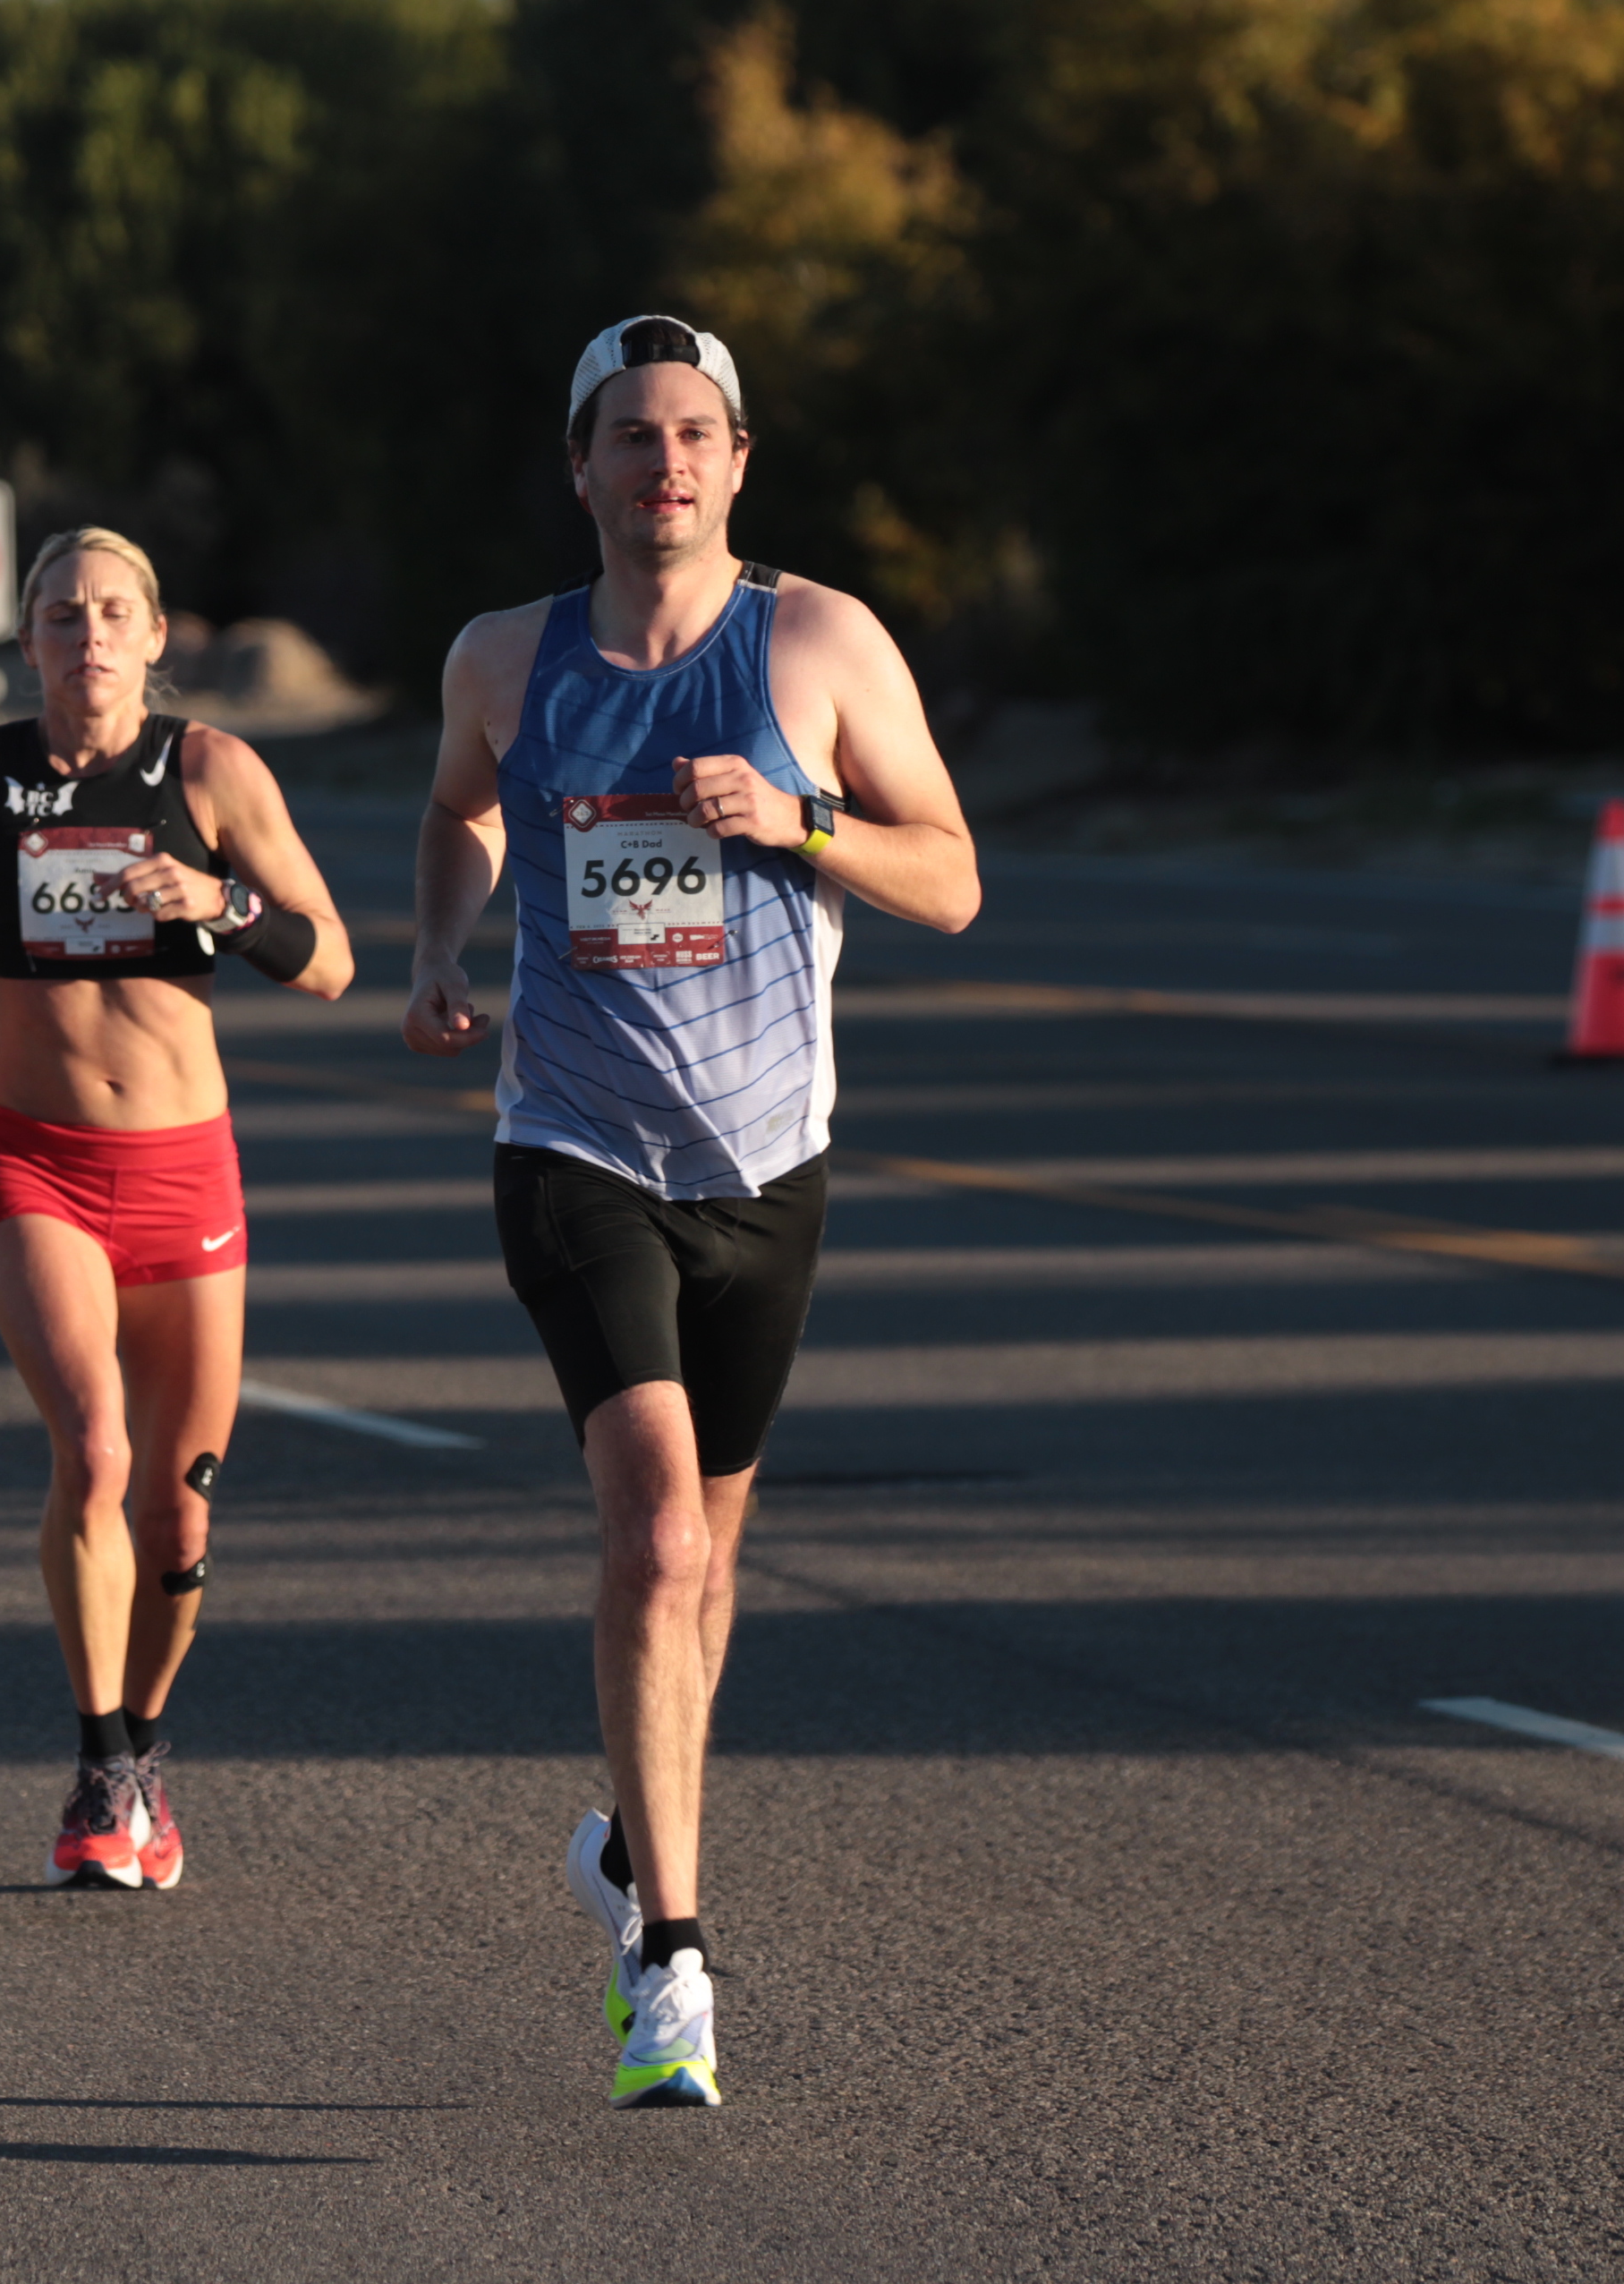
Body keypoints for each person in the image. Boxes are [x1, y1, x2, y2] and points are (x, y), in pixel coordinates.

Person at [404, 316, 978, 2109]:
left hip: (767, 1164)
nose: (663, 464)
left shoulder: (817, 642)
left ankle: (630, 1845)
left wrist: (799, 820)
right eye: (631, 435)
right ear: (578, 466)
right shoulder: (505, 654)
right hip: (574, 1147)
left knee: (708, 1560)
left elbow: (951, 879)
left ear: (737, 463)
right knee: (654, 1537)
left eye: (693, 435)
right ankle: (671, 1957)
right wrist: (437, 942)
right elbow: (460, 809)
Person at [0, 524, 352, 1892]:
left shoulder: (213, 773)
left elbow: (330, 962)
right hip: (38, 1164)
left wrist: (221, 900)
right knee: (94, 1448)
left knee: (181, 1515)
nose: (89, 638)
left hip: (188, 1174)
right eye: (63, 616)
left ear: (155, 637)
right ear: (28, 641)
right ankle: (97, 1764)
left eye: (114, 613)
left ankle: (143, 1750)